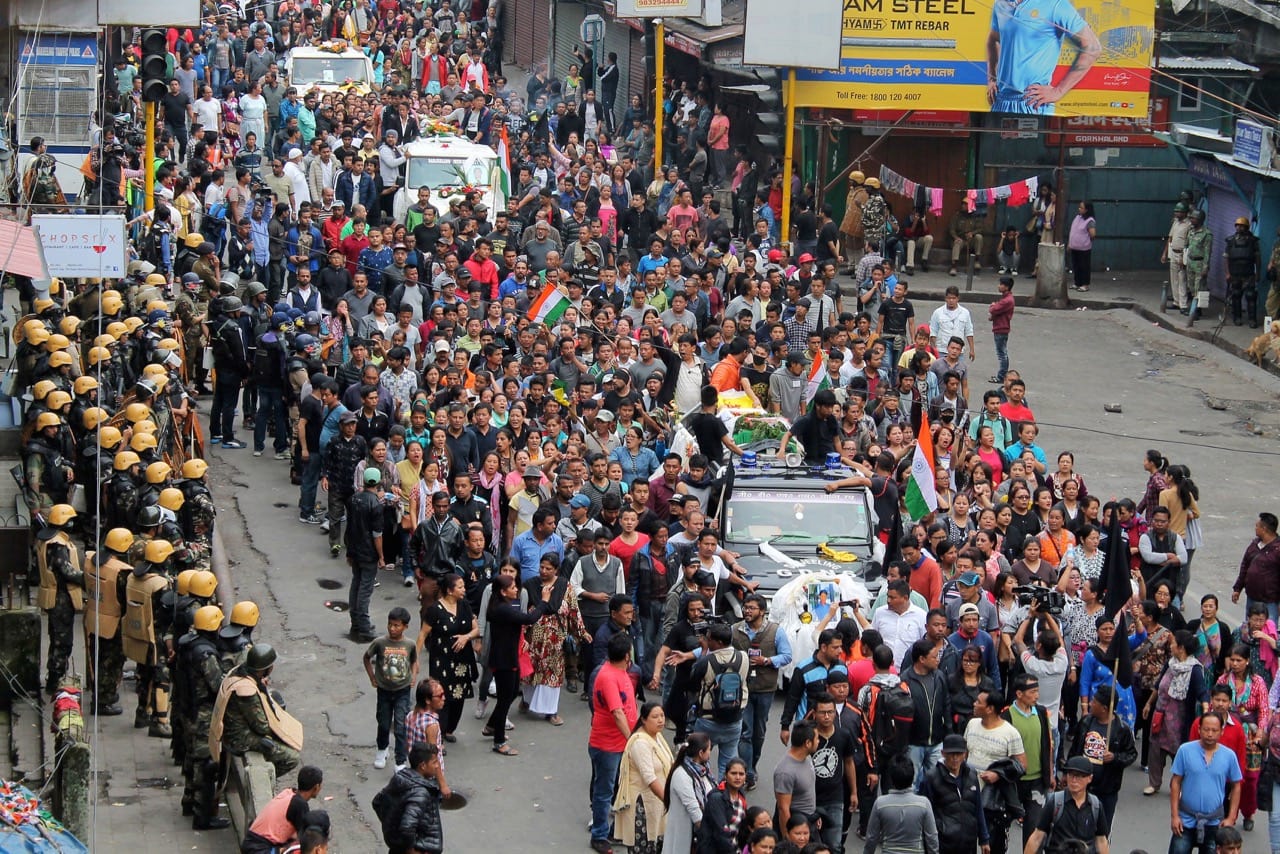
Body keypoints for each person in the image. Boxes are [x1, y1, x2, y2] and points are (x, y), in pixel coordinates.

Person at [986, 0, 1101, 115]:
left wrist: (1059, 91)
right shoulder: (1001, 3)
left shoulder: (1056, 5)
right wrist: (992, 79)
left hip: (1033, 103)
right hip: (1001, 101)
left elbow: (1092, 47)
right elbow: (993, 39)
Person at [485, 575, 551, 756]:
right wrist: (544, 602)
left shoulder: (502, 606)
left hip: (510, 656)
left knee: (513, 692)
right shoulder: (502, 609)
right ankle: (498, 741)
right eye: (512, 587)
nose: (516, 590)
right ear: (502, 591)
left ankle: (492, 725)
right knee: (505, 698)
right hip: (503, 659)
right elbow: (529, 619)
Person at [732, 593, 793, 789]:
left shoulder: (776, 631)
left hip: (766, 688)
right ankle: (747, 772)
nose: (747, 611)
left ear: (762, 611)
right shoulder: (735, 630)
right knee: (746, 731)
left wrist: (767, 661)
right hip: (742, 688)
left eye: (751, 608)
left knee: (759, 732)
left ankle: (753, 765)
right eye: (745, 607)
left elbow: (786, 656)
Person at [589, 632, 640, 853]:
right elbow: (618, 713)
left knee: (620, 789)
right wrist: (633, 740)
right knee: (605, 791)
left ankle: (613, 831)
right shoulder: (609, 677)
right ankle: (599, 835)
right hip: (608, 744)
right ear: (627, 656)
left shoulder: (619, 672)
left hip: (618, 743)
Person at [1169, 711, 1242, 854]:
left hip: (1215, 823)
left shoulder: (1229, 756)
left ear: (1221, 731)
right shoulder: (1185, 750)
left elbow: (1236, 786)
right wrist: (1175, 816)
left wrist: (1231, 818)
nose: (1210, 734)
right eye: (1206, 729)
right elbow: (1175, 783)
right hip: (1185, 821)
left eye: (1214, 730)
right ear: (1199, 729)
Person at [1067, 683, 1138, 828]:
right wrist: (1067, 771)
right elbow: (1075, 749)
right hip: (1083, 787)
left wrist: (1115, 757)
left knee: (1101, 829)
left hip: (1107, 790)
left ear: (1105, 708)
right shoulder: (1086, 722)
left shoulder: (1122, 729)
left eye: (1094, 702)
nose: (1090, 704)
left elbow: (1131, 754)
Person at [419, 574, 478, 740]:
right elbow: (423, 634)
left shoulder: (464, 606)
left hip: (461, 661)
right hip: (441, 661)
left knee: (458, 698)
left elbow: (476, 629)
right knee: (440, 698)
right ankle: (437, 735)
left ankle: (449, 730)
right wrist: (414, 659)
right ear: (450, 590)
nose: (464, 590)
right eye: (460, 587)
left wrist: (466, 637)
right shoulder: (435, 610)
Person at [689, 622, 750, 777]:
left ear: (719, 642)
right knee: (728, 764)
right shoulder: (743, 657)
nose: (707, 642)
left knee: (699, 761)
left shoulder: (706, 661)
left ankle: (704, 792)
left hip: (708, 720)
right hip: (734, 719)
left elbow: (693, 682)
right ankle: (726, 796)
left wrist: (703, 651)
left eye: (710, 640)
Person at [363, 607, 418, 772]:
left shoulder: (409, 644)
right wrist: (372, 677)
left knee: (401, 725)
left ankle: (400, 760)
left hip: (403, 691)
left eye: (396, 625)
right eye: (390, 625)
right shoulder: (380, 643)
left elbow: (414, 661)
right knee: (384, 722)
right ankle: (382, 750)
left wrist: (413, 676)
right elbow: (367, 657)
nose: (392, 628)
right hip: (384, 690)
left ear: (405, 627)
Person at [615, 702, 672, 854]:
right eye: (655, 717)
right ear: (644, 720)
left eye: (662, 716)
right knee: (643, 848)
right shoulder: (640, 743)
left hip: (657, 803)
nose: (660, 720)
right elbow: (650, 778)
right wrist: (669, 801)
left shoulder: (657, 737)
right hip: (642, 806)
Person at [1023, 756, 1110, 854]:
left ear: (1090, 778)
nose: (1074, 780)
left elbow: (1102, 841)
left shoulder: (1096, 806)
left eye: (1079, 776)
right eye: (1071, 775)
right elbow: (1037, 837)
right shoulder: (1055, 802)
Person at [921, 733, 989, 854]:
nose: (955, 758)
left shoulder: (972, 775)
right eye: (951, 754)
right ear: (943, 754)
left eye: (959, 754)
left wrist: (984, 839)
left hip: (969, 843)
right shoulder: (931, 778)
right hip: (943, 844)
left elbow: (978, 808)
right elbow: (926, 814)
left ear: (965, 754)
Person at [809, 694, 859, 851]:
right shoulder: (808, 736)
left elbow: (849, 763)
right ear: (814, 713)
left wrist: (853, 792)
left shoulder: (844, 735)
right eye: (822, 712)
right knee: (811, 844)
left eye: (830, 712)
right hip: (810, 799)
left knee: (834, 845)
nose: (826, 716)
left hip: (835, 798)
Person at [864, 753, 939, 854]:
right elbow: (932, 838)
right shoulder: (924, 804)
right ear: (912, 777)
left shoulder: (880, 804)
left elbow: (871, 838)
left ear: (891, 778)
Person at [379, 742, 445, 854]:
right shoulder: (420, 793)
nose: (437, 766)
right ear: (423, 766)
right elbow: (407, 827)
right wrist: (411, 850)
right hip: (420, 848)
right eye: (434, 762)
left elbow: (378, 802)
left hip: (397, 848)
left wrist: (392, 831)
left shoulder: (401, 777)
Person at [241, 766, 324, 854]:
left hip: (251, 842)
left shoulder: (288, 792)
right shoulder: (300, 804)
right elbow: (307, 839)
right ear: (316, 787)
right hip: (259, 849)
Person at [346, 467, 386, 641]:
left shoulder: (353, 499)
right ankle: (364, 625)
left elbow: (349, 527)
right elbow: (377, 534)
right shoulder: (375, 504)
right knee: (365, 588)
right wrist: (381, 556)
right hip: (368, 552)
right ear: (378, 482)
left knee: (356, 583)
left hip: (354, 549)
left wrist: (349, 550)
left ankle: (355, 622)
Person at [665, 733, 716, 854]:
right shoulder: (682, 775)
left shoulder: (703, 770)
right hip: (686, 835)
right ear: (700, 753)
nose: (710, 753)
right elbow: (694, 809)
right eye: (709, 749)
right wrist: (710, 834)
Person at [774, 720, 818, 833]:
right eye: (817, 738)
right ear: (808, 743)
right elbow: (783, 809)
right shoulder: (785, 772)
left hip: (809, 821)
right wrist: (788, 839)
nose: (818, 741)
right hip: (796, 827)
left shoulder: (807, 759)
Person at [699, 758, 750, 854]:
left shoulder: (741, 795)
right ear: (726, 775)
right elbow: (721, 833)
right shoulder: (716, 798)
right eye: (733, 773)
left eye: (741, 774)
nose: (738, 777)